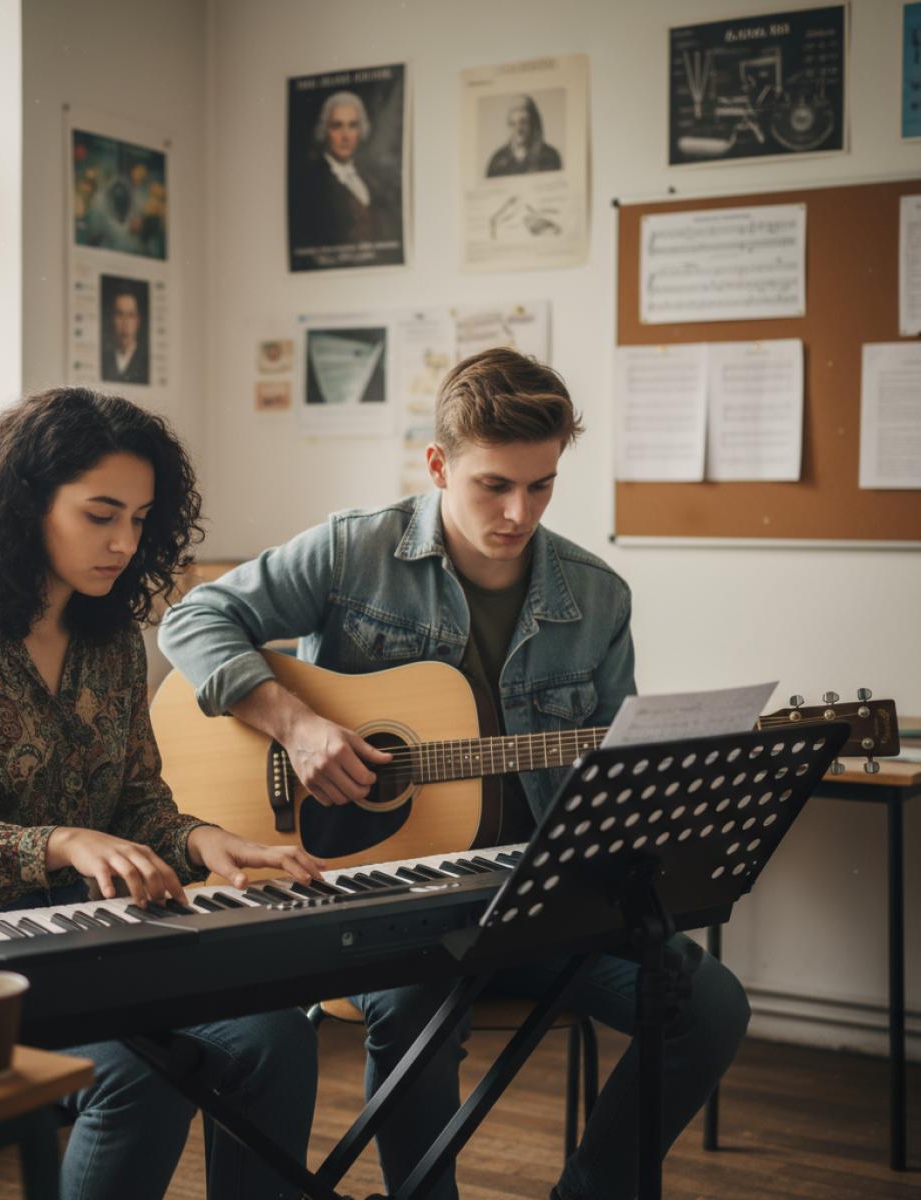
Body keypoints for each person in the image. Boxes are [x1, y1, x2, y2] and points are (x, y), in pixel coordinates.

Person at [158, 349, 751, 1200]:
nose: (518, 512)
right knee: (411, 1009)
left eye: (541, 486)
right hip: (386, 903)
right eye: (493, 486)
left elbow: (614, 768)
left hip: (539, 902)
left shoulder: (597, 598)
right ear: (438, 465)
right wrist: (297, 724)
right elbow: (194, 616)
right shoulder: (353, 552)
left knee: (712, 1005)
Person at [0, 388, 321, 1200]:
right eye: (100, 514)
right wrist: (59, 842)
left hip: (92, 932)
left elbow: (138, 805)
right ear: (26, 504)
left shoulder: (110, 639)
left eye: (140, 519)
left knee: (274, 1039)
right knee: (134, 1072)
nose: (123, 542)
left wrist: (205, 841)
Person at [292, 89, 401, 250]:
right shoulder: (310, 183)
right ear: (324, 130)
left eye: (353, 125)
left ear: (361, 130)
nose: (345, 135)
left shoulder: (369, 179)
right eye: (337, 126)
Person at [486, 94, 563, 176]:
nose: (518, 130)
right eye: (513, 124)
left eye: (523, 123)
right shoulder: (497, 161)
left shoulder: (550, 157)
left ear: (533, 124)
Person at [101, 287, 149, 384]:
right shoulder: (103, 358)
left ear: (138, 320)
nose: (125, 322)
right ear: (112, 319)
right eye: (120, 314)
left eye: (130, 315)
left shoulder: (147, 362)